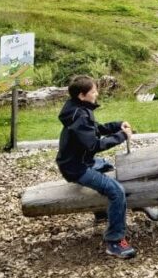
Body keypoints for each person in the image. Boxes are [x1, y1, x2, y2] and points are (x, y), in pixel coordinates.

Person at [56, 75, 137, 258]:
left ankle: (101, 212)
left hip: (81, 161)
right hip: (77, 168)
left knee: (108, 167)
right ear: (82, 95)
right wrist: (122, 137)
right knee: (117, 191)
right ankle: (115, 242)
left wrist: (117, 126)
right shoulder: (79, 116)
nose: (97, 93)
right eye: (93, 91)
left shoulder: (79, 109)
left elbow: (95, 129)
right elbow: (94, 145)